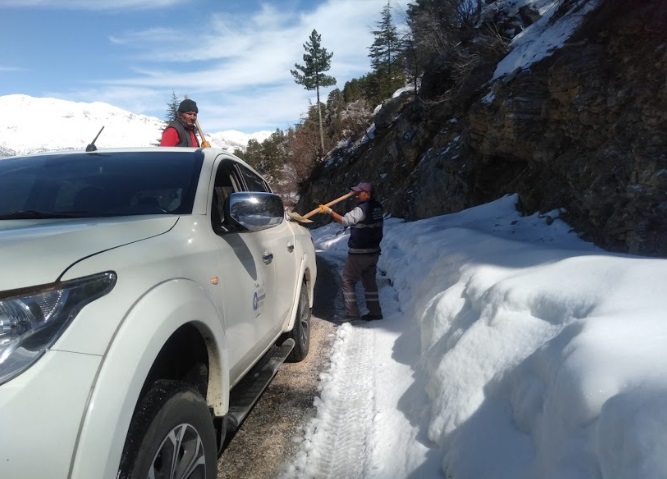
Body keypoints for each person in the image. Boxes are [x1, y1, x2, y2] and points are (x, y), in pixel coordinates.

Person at [319, 182, 384, 321]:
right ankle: (375, 312)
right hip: (373, 252)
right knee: (369, 282)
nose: (356, 196)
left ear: (368, 194)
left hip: (360, 252)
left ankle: (352, 313)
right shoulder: (378, 207)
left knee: (347, 280)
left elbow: (344, 221)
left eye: (359, 193)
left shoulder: (361, 209)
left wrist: (329, 211)